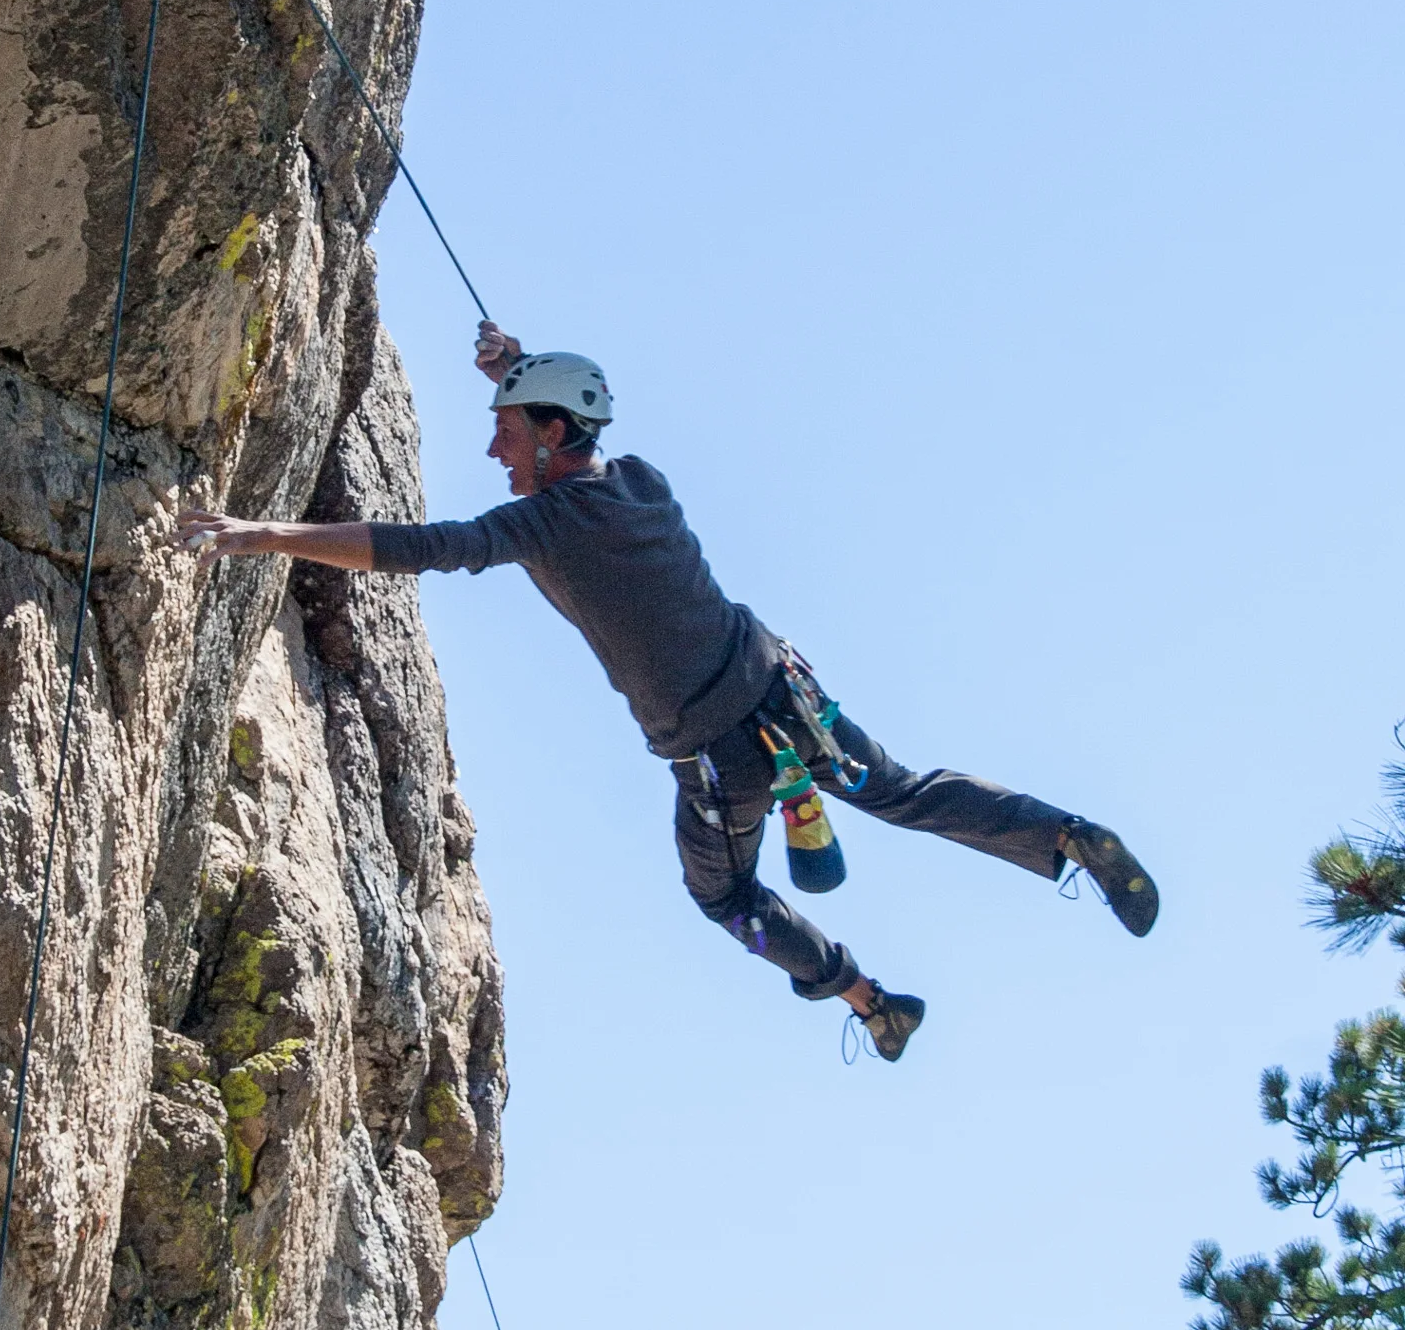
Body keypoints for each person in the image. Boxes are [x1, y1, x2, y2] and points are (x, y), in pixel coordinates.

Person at [176, 323, 1157, 1061]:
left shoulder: (548, 522)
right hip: (781, 689)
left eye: (506, 432)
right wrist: (512, 380)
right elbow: (558, 452)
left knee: (723, 896)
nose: (493, 453)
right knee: (895, 788)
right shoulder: (637, 479)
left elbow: (429, 548)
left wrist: (268, 535)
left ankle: (862, 998)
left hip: (716, 752)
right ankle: (1063, 836)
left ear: (553, 432)